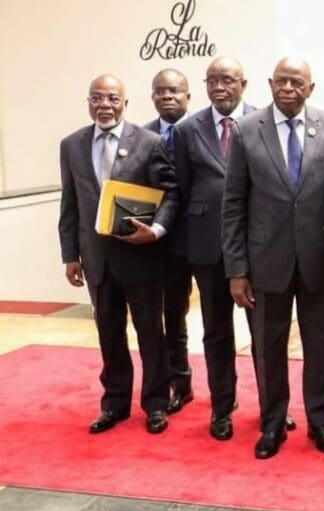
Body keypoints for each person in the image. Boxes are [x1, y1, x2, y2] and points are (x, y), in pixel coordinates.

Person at [222, 57, 324, 459]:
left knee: (320, 345)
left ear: (311, 89)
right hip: (265, 263)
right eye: (282, 81)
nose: (289, 88)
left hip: (317, 260)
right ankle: (272, 422)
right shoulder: (246, 130)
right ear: (271, 84)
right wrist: (237, 269)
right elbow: (233, 204)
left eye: (297, 82)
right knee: (268, 347)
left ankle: (320, 420)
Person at [58, 74, 179, 435]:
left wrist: (156, 230)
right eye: (97, 98)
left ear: (125, 103)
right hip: (97, 260)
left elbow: (170, 193)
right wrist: (70, 255)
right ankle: (114, 404)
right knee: (109, 333)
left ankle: (156, 404)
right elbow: (70, 203)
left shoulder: (149, 143)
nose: (105, 105)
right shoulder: (72, 145)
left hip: (140, 258)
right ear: (89, 102)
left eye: (112, 98)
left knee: (150, 334)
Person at [171, 56, 256, 440]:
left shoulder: (260, 121)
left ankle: (272, 407)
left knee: (263, 334)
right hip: (207, 247)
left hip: (255, 247)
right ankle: (222, 407)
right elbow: (182, 188)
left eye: (227, 80)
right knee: (216, 332)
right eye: (212, 80)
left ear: (243, 83)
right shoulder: (187, 130)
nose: (219, 87)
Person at [143, 69, 194, 414]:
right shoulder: (141, 136)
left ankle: (229, 391)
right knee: (172, 315)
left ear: (188, 95)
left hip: (206, 238)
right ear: (152, 97)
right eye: (160, 91)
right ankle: (180, 382)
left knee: (221, 320)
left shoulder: (204, 130)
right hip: (161, 243)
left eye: (174, 90)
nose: (167, 96)